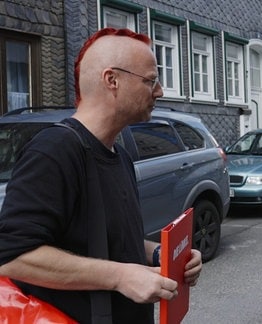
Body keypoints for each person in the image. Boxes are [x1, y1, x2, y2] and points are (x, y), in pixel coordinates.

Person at [0, 28, 202, 323]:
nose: (159, 91)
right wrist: (119, 276)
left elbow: (112, 241)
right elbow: (11, 257)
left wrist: (165, 255)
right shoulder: (53, 151)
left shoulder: (120, 157)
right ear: (112, 80)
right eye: (151, 80)